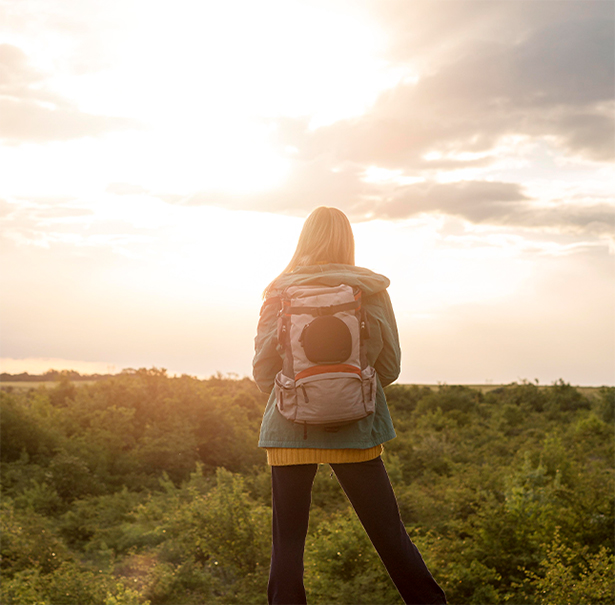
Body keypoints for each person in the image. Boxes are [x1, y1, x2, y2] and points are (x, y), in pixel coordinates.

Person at [253, 206, 446, 605]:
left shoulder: (278, 291)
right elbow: (389, 367)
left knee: (286, 550)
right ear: (348, 240)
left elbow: (262, 372)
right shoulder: (370, 289)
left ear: (303, 239)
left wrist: (301, 397)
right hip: (356, 431)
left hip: (289, 432)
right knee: (392, 539)